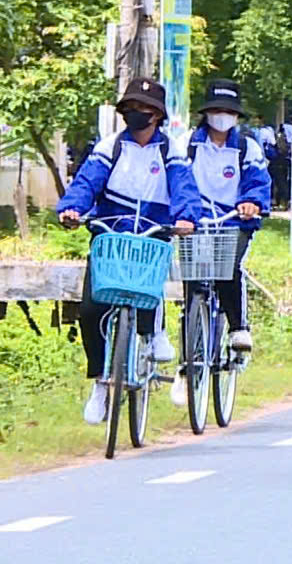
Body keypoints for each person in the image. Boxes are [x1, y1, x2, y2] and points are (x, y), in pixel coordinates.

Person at [55, 79, 200, 424]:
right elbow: (87, 182)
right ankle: (101, 384)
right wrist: (72, 209)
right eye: (130, 110)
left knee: (148, 290)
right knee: (91, 310)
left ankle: (154, 333)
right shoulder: (110, 146)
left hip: (151, 233)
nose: (136, 116)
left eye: (144, 111)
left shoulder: (171, 150)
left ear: (157, 116)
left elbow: (184, 187)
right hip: (111, 234)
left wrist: (185, 218)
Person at [177, 79, 272, 356]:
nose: (222, 116)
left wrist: (252, 203)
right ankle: (189, 362)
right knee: (193, 283)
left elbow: (258, 182)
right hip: (195, 220)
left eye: (228, 111)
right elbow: (179, 181)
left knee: (228, 269)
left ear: (236, 115)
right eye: (217, 109)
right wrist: (184, 214)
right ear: (206, 112)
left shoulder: (247, 147)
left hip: (233, 220)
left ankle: (237, 326)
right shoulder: (187, 145)